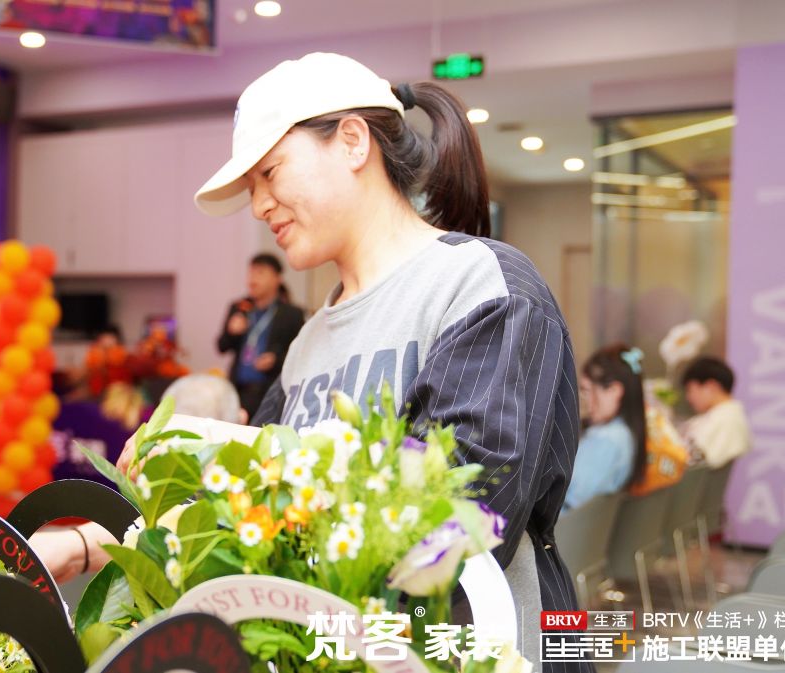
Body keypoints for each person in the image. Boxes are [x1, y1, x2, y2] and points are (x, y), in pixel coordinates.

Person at [123, 52, 589, 672]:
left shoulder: (482, 286)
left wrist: (227, 445)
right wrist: (112, 538)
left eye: (270, 173)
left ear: (351, 141)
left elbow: (468, 512)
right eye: (252, 187)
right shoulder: (308, 341)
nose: (259, 205)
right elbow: (258, 517)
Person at [216, 253, 304, 418]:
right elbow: (221, 346)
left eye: (260, 272)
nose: (252, 279)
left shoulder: (292, 314)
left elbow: (301, 354)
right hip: (238, 391)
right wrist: (231, 332)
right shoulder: (240, 307)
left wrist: (275, 360)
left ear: (277, 279)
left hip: (270, 393)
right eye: (251, 272)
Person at [564, 345, 648, 509]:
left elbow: (574, 502)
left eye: (587, 390)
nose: (585, 400)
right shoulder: (625, 433)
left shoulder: (606, 440)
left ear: (614, 391)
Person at [682, 356, 751, 468]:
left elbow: (693, 461)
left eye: (690, 390)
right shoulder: (723, 416)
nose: (688, 398)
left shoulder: (726, 420)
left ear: (711, 386)